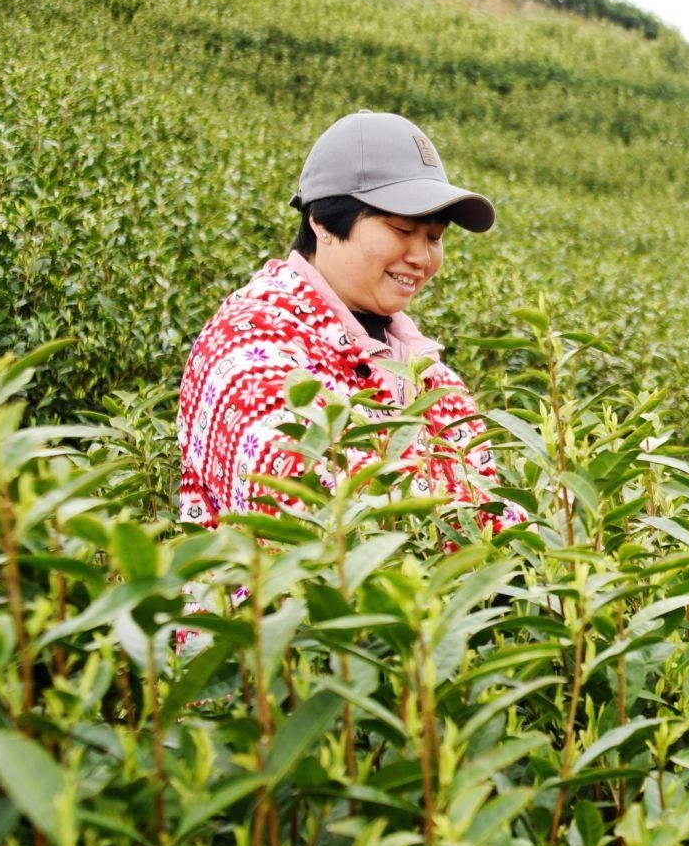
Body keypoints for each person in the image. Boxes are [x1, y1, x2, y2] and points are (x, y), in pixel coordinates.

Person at [176, 112, 524, 642]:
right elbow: (320, 513)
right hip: (268, 686)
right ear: (322, 221)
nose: (422, 257)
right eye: (402, 229)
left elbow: (496, 513)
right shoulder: (250, 345)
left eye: (434, 237)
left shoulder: (425, 370)